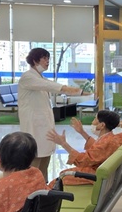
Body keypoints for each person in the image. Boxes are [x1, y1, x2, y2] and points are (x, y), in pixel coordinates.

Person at [18, 47, 81, 180]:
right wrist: (69, 89)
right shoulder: (28, 77)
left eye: (48, 58)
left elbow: (49, 84)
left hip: (44, 125)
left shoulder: (41, 77)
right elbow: (51, 86)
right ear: (35, 60)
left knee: (45, 158)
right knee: (35, 159)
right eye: (44, 58)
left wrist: (71, 90)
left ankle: (43, 185)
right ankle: (32, 188)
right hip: (34, 126)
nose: (47, 61)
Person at [46, 111, 122, 186]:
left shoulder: (106, 142)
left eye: (95, 119)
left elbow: (84, 160)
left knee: (60, 177)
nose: (92, 122)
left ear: (102, 125)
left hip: (95, 175)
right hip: (100, 172)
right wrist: (82, 132)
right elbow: (96, 148)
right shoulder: (110, 138)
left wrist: (63, 144)